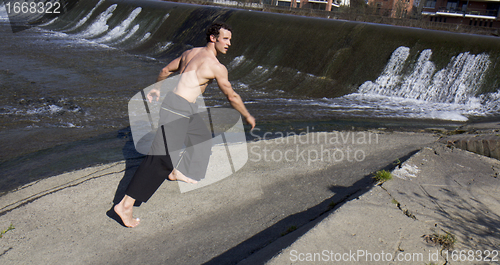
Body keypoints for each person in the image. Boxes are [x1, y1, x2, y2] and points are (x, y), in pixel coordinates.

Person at [114, 22, 256, 228]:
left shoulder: (190, 53)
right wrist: (247, 115)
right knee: (158, 160)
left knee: (201, 136)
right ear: (213, 38)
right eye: (226, 39)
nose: (229, 44)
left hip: (178, 105)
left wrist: (157, 89)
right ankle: (125, 205)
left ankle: (175, 171)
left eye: (230, 39)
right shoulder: (216, 66)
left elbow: (164, 70)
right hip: (177, 110)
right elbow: (231, 95)